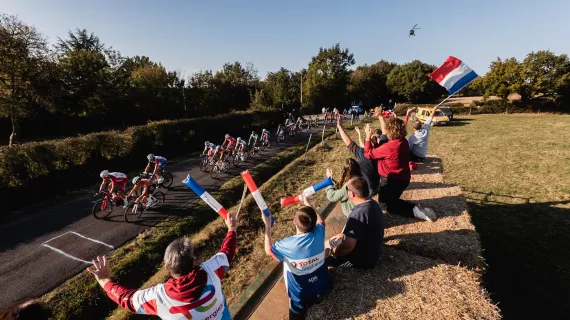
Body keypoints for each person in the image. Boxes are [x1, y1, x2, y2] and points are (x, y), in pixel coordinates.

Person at [88, 212, 237, 320]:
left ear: (167, 268)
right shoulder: (212, 270)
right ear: (193, 260)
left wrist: (104, 280)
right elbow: (227, 252)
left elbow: (127, 299)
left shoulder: (159, 297)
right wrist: (231, 229)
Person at [262, 197, 331, 320]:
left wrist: (267, 226)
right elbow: (322, 222)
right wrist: (309, 204)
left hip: (300, 295)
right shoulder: (320, 232)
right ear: (314, 222)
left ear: (294, 222)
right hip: (322, 283)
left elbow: (269, 250)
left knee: (295, 313)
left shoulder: (287, 245)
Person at [364, 109, 436, 221]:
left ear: (391, 132)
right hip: (403, 179)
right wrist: (380, 117)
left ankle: (415, 211)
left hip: (391, 180)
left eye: (388, 130)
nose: (386, 132)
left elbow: (368, 154)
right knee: (391, 200)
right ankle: (414, 208)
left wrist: (368, 138)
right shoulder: (403, 141)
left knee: (385, 205)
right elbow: (384, 136)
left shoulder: (389, 147)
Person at [326, 177, 384, 269]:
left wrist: (334, 252)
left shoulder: (358, 214)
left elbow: (348, 246)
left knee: (325, 261)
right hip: (372, 251)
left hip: (363, 261)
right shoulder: (373, 203)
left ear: (352, 193)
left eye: (346, 189)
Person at [336, 117, 386, 197]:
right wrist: (380, 116)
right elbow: (384, 132)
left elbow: (348, 142)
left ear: (365, 143)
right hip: (378, 185)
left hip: (367, 190)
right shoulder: (381, 151)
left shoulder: (362, 153)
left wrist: (339, 127)